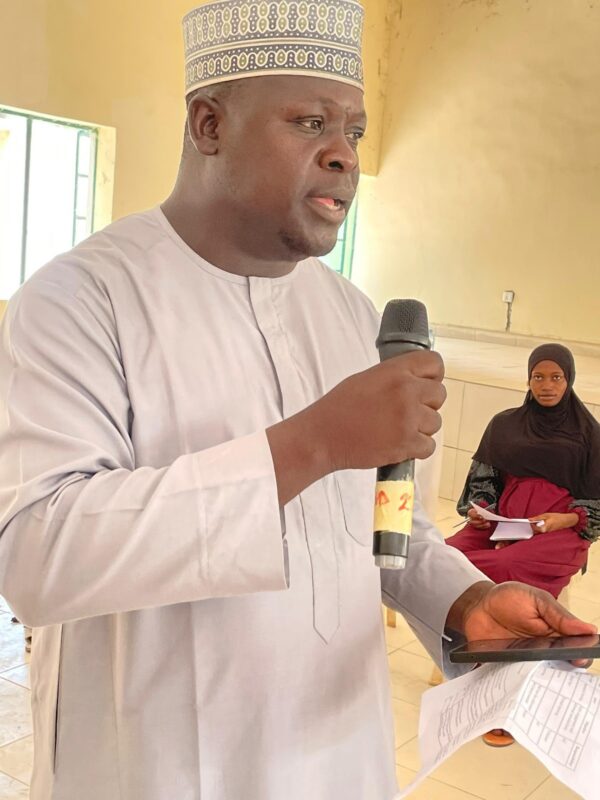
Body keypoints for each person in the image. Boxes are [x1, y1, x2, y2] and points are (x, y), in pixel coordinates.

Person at [0, 4, 594, 799]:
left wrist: (465, 602)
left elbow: (387, 529)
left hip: (339, 755)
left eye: (355, 130)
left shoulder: (351, 313)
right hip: (159, 763)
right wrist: (310, 445)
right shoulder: (81, 299)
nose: (344, 154)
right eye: (311, 122)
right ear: (209, 125)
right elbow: (37, 555)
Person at [446, 342, 600, 747]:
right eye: (538, 377)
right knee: (448, 557)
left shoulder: (590, 434)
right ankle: (470, 664)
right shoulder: (504, 424)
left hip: (560, 531)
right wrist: (482, 511)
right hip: (503, 522)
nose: (547, 385)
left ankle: (505, 681)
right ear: (528, 379)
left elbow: (597, 504)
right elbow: (482, 485)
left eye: (556, 377)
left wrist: (564, 519)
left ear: (569, 380)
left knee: (507, 569)